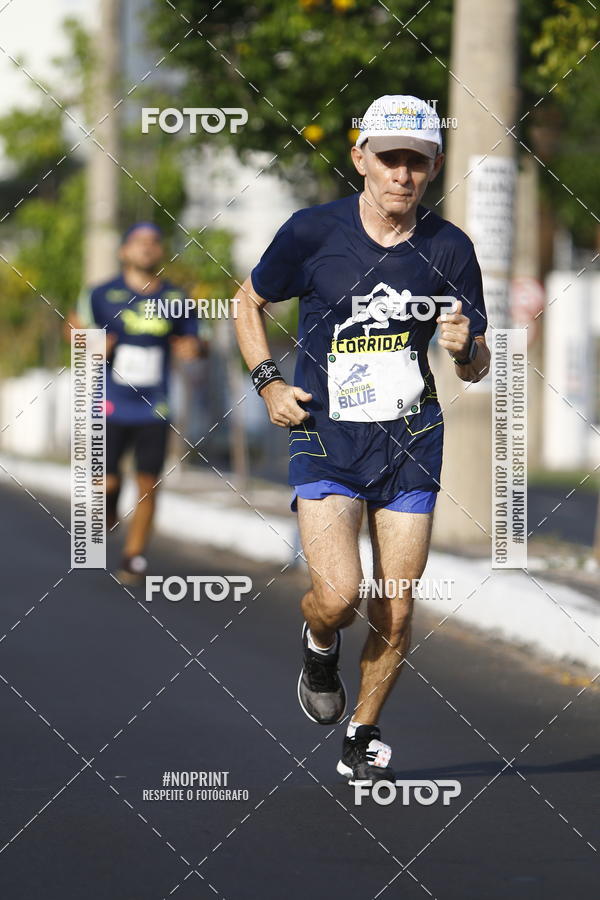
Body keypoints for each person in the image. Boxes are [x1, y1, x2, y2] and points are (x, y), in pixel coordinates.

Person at [233, 95, 490, 785]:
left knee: (397, 604)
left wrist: (467, 350)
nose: (401, 175)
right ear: (361, 160)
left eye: (417, 162)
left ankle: (363, 730)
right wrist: (267, 383)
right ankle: (319, 640)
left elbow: (476, 359)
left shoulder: (449, 248)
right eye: (389, 159)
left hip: (411, 440)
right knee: (340, 595)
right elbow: (247, 300)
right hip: (326, 438)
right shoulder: (312, 232)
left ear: (433, 168)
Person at [75, 222, 200, 582]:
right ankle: (110, 508)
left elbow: (195, 338)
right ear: (124, 251)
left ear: (160, 251)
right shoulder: (100, 294)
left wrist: (194, 347)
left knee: (148, 481)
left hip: (154, 406)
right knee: (105, 482)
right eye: (138, 242)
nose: (147, 247)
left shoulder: (175, 299)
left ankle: (133, 556)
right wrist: (92, 343)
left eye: (153, 241)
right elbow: (74, 331)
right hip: (109, 404)